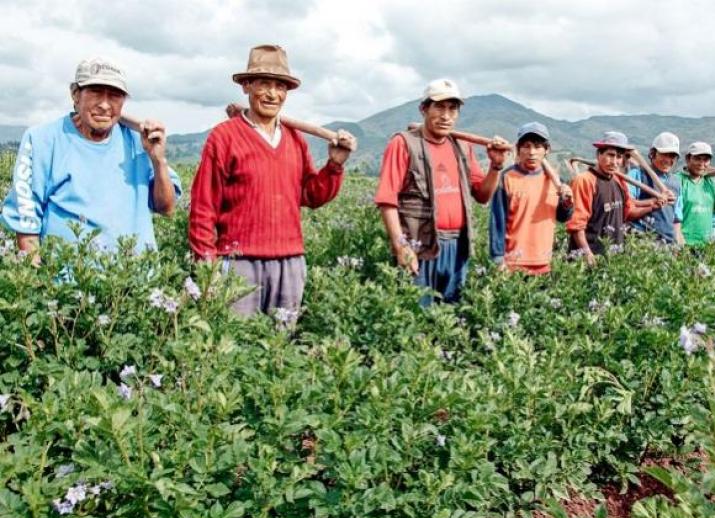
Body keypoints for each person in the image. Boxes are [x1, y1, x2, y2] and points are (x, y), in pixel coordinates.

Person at [188, 44, 357, 317]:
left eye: (280, 86)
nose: (272, 93)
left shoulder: (294, 140)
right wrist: (207, 266)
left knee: (280, 350)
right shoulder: (224, 137)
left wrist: (335, 164)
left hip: (290, 263)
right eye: (263, 84)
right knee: (236, 347)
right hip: (239, 263)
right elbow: (203, 207)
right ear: (247, 87)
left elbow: (311, 196)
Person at [1, 56, 181, 259]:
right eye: (95, 92)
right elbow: (27, 217)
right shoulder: (42, 139)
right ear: (75, 95)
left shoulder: (139, 141)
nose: (105, 104)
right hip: (66, 285)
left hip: (135, 281)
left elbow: (166, 207)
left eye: (115, 95)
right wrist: (36, 281)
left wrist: (158, 161)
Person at [374, 79, 511, 304]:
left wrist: (495, 166)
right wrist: (401, 246)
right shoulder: (404, 144)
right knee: (417, 317)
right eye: (439, 107)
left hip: (457, 246)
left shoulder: (462, 147)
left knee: (452, 317)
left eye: (452, 108)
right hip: (421, 245)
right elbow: (387, 200)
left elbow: (482, 195)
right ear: (424, 109)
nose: (446, 115)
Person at [566, 132, 666, 265]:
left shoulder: (619, 180)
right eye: (610, 155)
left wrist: (652, 207)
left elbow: (628, 213)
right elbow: (577, 225)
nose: (614, 162)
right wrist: (587, 253)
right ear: (599, 154)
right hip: (587, 258)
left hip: (614, 256)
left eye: (619, 157)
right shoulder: (585, 181)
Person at [489, 122, 573, 274]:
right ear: (518, 149)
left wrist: (567, 203)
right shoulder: (507, 178)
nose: (531, 152)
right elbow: (497, 221)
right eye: (526, 146)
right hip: (513, 264)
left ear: (547, 150)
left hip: (544, 263)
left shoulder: (554, 181)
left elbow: (562, 217)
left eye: (537, 146)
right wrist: (498, 259)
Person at [675, 142, 715, 247]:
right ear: (688, 159)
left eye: (706, 160)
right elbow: (672, 217)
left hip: (706, 244)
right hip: (684, 243)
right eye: (697, 158)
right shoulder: (678, 181)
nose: (701, 163)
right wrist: (679, 242)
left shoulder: (709, 182)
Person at [626, 132, 683, 244]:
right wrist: (652, 203)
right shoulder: (637, 175)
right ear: (653, 154)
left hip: (668, 242)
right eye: (664, 154)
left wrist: (679, 243)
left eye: (672, 156)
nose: (668, 160)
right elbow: (628, 206)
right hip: (642, 240)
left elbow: (676, 219)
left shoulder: (675, 182)